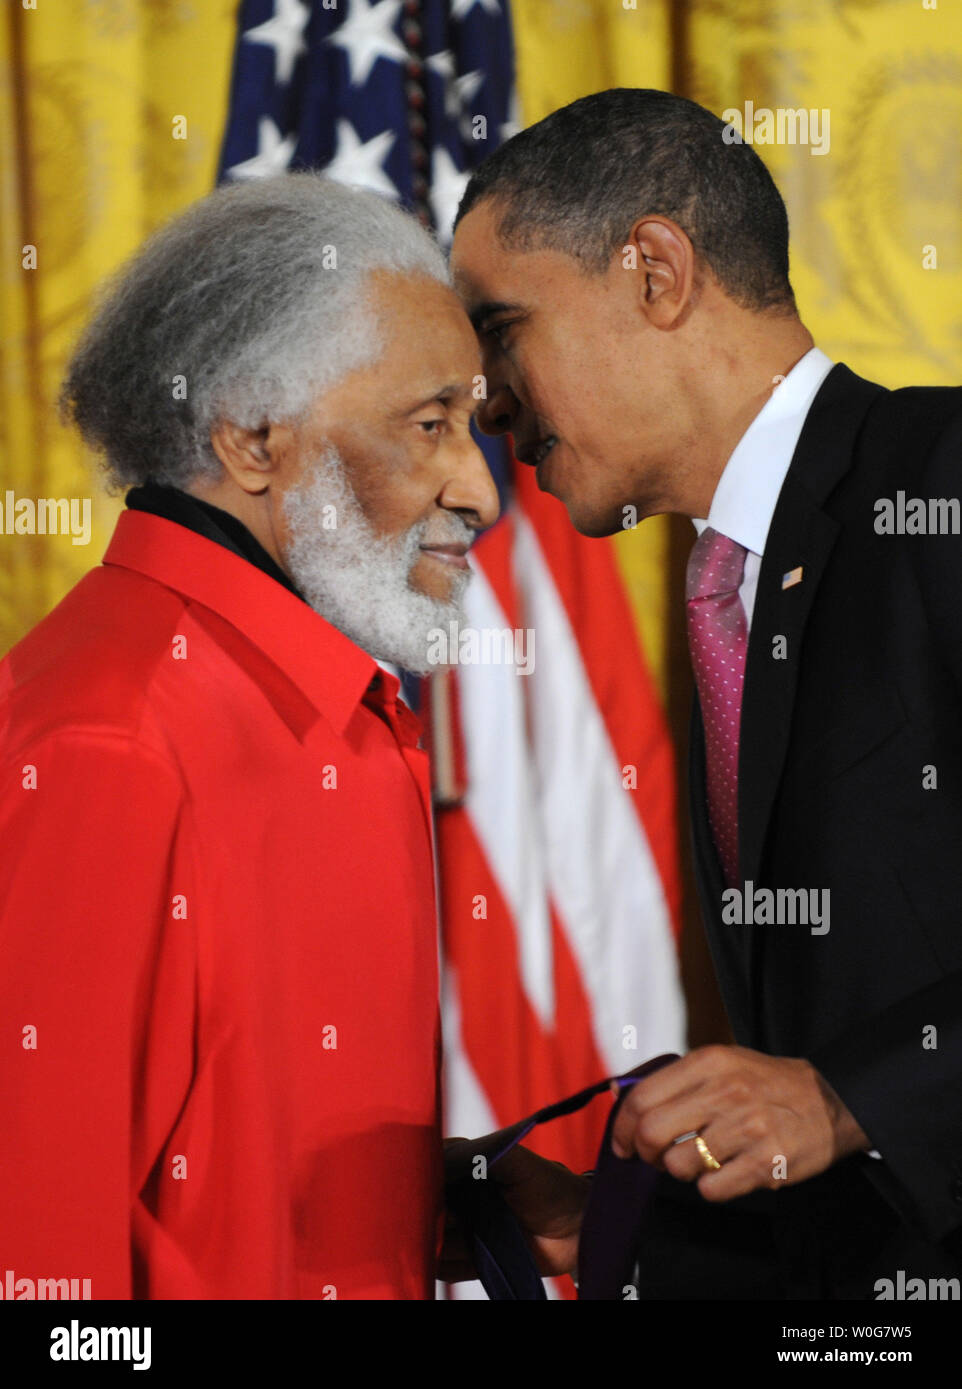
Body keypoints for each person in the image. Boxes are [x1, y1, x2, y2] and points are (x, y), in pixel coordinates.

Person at [0, 173, 586, 1300]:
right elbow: (38, 1262)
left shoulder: (324, 702)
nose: (481, 488)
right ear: (254, 437)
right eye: (430, 425)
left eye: (471, 423)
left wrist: (421, 1195)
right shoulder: (105, 742)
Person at [450, 87, 962, 1298]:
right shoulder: (725, 582)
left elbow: (842, 1093)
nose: (486, 403)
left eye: (502, 330)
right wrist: (617, 1226)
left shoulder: (938, 476)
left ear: (656, 273)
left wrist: (849, 1097)